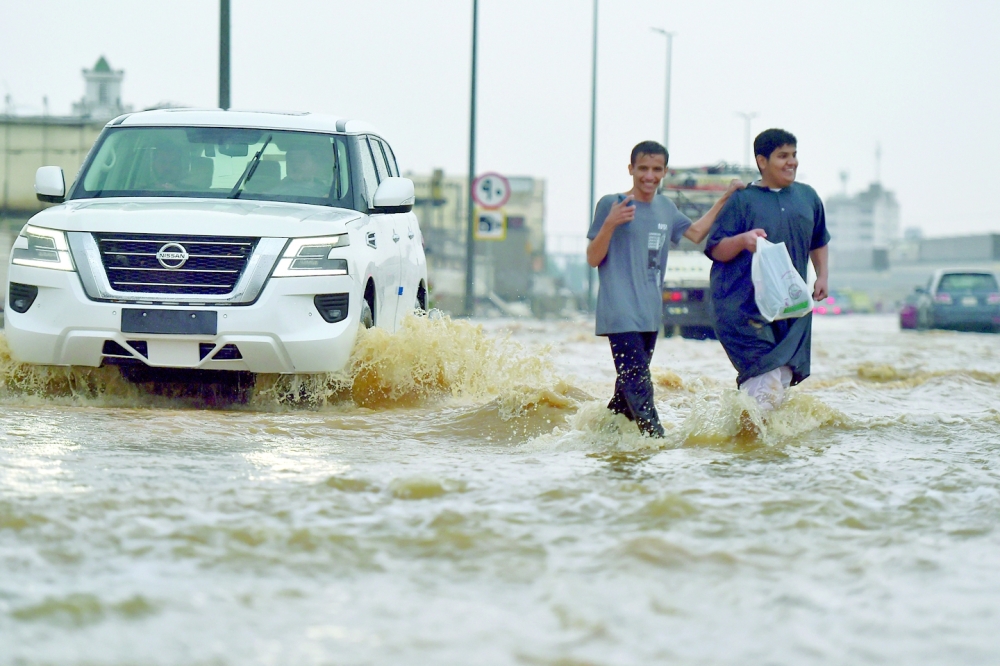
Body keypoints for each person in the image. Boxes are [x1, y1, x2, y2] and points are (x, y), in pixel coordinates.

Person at [587, 140, 743, 437]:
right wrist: (610, 224)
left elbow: (696, 233)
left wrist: (725, 198)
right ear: (631, 169)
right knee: (639, 383)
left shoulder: (665, 207)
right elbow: (593, 257)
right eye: (642, 168)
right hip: (619, 313)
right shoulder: (612, 204)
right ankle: (656, 442)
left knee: (626, 394)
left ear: (664, 172)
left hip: (649, 313)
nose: (649, 175)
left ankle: (602, 437)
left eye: (656, 169)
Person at [704, 128, 830, 411]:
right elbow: (715, 249)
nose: (792, 162)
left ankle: (752, 445)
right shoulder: (742, 200)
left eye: (794, 155)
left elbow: (819, 239)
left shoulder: (807, 197)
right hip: (744, 309)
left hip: (791, 308)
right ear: (762, 161)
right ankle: (753, 447)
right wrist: (742, 240)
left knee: (781, 376)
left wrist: (822, 275)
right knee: (765, 377)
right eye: (782, 156)